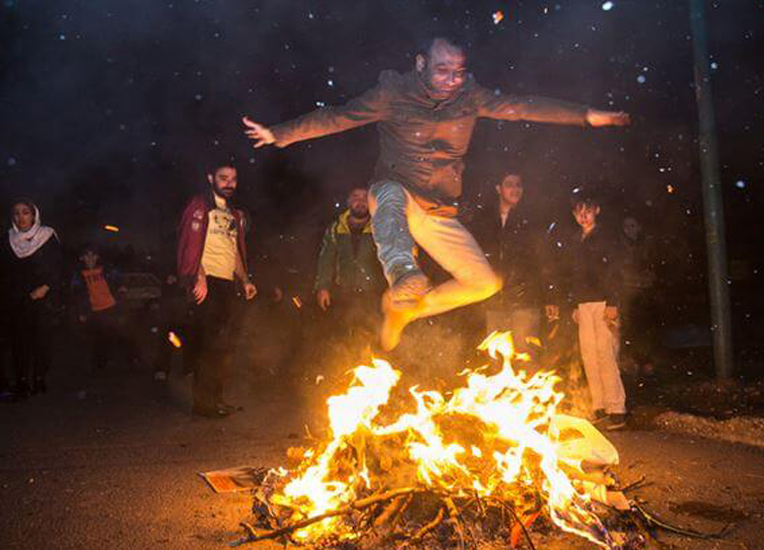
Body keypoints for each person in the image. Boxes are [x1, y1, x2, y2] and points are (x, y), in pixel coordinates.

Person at [243, 35, 630, 351]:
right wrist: (282, 133)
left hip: (438, 210)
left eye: (458, 72)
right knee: (391, 198)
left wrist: (585, 115)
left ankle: (406, 310)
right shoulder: (391, 93)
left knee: (483, 282)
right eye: (443, 70)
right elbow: (337, 116)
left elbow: (522, 106)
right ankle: (402, 274)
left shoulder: (471, 98)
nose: (452, 80)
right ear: (420, 64)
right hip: (394, 191)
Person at [177, 161, 257, 418]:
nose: (229, 183)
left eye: (233, 179)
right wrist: (198, 276)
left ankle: (216, 398)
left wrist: (245, 280)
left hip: (226, 285)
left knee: (223, 347)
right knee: (209, 345)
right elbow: (189, 244)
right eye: (223, 178)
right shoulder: (200, 206)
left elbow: (234, 253)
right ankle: (203, 404)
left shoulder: (233, 214)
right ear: (211, 177)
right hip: (207, 283)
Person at [559, 194, 627, 429]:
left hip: (603, 302)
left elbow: (616, 270)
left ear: (597, 210)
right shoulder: (575, 239)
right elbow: (571, 274)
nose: (583, 216)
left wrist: (613, 302)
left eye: (587, 210)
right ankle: (599, 406)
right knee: (589, 355)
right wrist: (573, 305)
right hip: (583, 303)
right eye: (578, 212)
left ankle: (616, 409)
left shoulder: (607, 236)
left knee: (605, 354)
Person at [470, 173, 551, 351]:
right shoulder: (485, 219)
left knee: (524, 356)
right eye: (509, 184)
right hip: (494, 299)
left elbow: (544, 260)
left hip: (525, 300)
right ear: (499, 189)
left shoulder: (531, 219)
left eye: (518, 185)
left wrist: (549, 296)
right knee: (496, 355)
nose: (515, 189)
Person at [4, 199, 62, 398]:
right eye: (17, 213)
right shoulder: (8, 238)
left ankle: (38, 378)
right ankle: (21, 381)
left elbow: (58, 266)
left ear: (34, 214)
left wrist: (45, 287)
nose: (21, 217)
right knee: (19, 342)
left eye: (25, 212)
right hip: (17, 299)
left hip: (42, 299)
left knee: (42, 341)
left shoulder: (46, 236)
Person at [314, 186, 384, 345]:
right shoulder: (336, 228)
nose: (360, 201)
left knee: (373, 336)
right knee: (342, 338)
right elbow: (326, 259)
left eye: (365, 198)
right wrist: (322, 287)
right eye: (355, 196)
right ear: (348, 201)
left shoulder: (380, 227)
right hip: (343, 292)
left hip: (373, 292)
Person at [71, 246, 135, 375]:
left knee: (122, 334)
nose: (90, 258)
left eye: (93, 255)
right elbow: (78, 294)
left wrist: (122, 287)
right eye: (87, 256)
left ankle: (133, 359)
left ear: (97, 257)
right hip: (95, 311)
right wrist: (82, 312)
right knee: (99, 339)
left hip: (112, 307)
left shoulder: (106, 269)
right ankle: (100, 364)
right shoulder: (78, 275)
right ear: (82, 258)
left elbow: (119, 278)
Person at [619, 216, 657, 375]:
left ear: (639, 227)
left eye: (633, 225)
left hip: (645, 290)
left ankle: (646, 360)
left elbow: (652, 265)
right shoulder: (620, 246)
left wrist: (648, 278)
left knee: (645, 326)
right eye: (626, 226)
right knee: (629, 327)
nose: (629, 229)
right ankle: (631, 361)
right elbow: (618, 268)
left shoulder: (646, 244)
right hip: (627, 290)